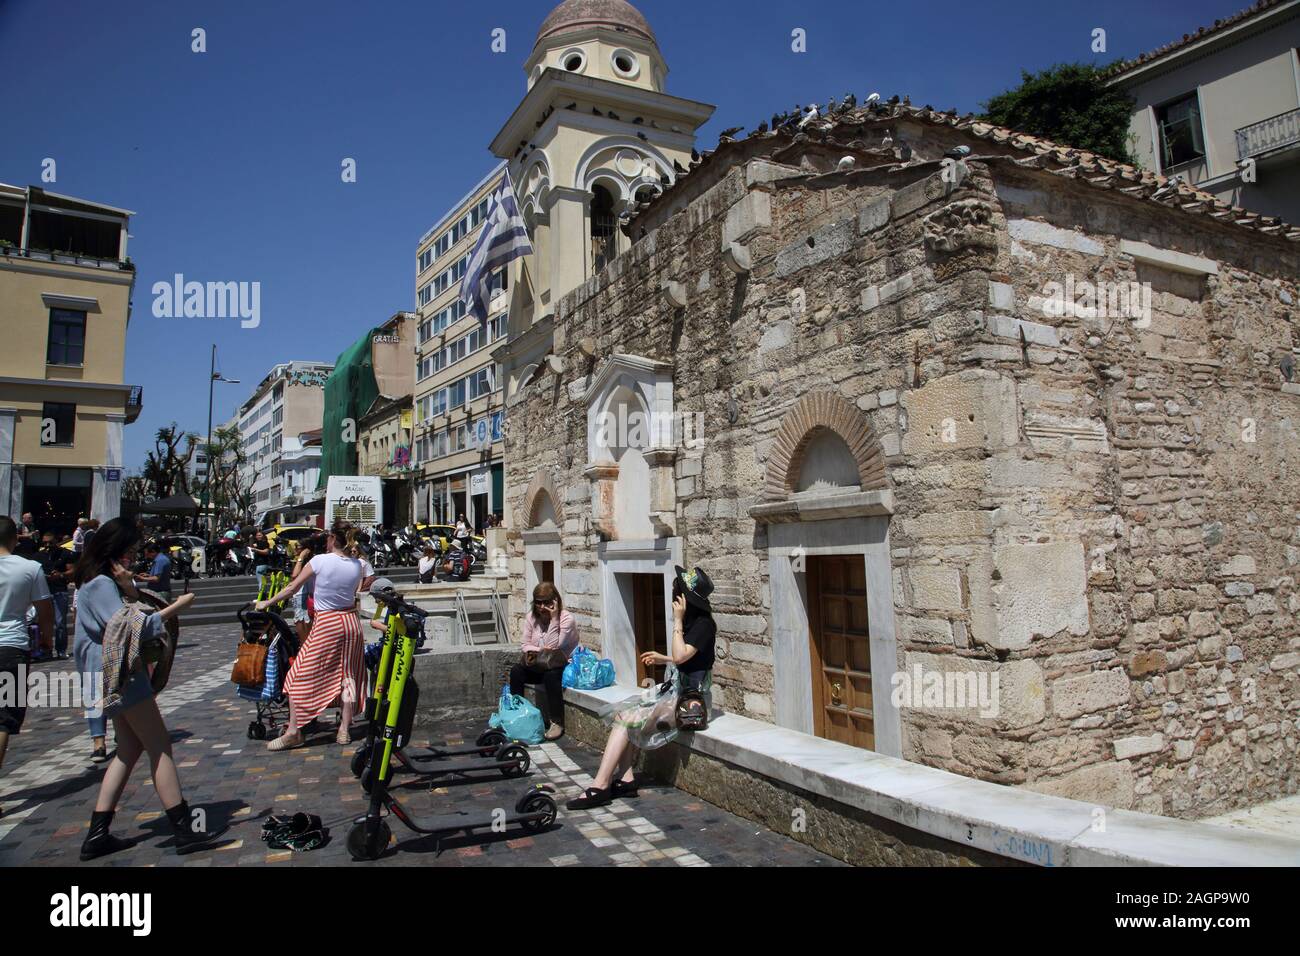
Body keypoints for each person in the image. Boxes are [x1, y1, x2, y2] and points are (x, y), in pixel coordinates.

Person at [72, 517, 220, 859]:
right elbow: (128, 630)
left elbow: (124, 619)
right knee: (159, 745)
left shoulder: (95, 583)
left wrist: (130, 590)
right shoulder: (100, 585)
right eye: (128, 552)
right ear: (114, 550)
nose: (132, 559)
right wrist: (176, 608)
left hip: (107, 675)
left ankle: (98, 832)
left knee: (129, 748)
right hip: (120, 675)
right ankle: (183, 827)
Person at [567, 566, 716, 810]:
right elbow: (688, 658)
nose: (672, 593)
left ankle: (601, 784)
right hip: (675, 691)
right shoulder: (693, 624)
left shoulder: (703, 625)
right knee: (622, 713)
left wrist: (677, 622)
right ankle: (625, 779)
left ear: (684, 598)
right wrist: (663, 658)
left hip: (690, 701)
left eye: (676, 590)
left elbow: (682, 657)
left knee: (628, 717)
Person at [255, 522, 367, 751]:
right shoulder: (357, 565)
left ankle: (294, 731)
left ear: (332, 539)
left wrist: (266, 602)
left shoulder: (319, 561)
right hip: (351, 623)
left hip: (327, 623)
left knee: (297, 675)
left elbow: (292, 587)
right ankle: (344, 729)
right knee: (348, 675)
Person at [0, 516, 54, 816]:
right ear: (15, 538)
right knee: (3, 717)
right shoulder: (30, 568)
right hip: (11, 647)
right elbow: (44, 610)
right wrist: (47, 640)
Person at [510, 583, 578, 741]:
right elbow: (525, 645)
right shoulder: (531, 617)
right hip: (539, 662)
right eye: (538, 602)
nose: (542, 607)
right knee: (517, 671)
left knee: (551, 675)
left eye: (546, 602)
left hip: (562, 665)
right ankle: (518, 713)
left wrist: (554, 619)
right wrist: (542, 650)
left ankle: (557, 722)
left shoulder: (566, 619)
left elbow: (555, 647)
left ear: (555, 601)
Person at [38, 532, 73, 659]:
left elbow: (72, 570)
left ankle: (61, 650)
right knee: (44, 623)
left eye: (50, 543)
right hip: (44, 591)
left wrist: (61, 574)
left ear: (56, 541)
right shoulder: (40, 555)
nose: (47, 545)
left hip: (59, 590)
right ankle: (46, 650)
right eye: (45, 543)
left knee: (60, 623)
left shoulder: (64, 553)